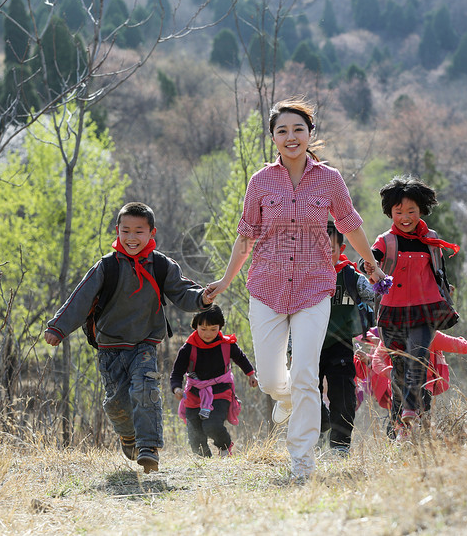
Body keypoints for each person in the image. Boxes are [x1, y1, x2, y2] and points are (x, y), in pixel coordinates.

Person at [206, 97, 383, 479]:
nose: (291, 137)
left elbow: (350, 223)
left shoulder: (330, 180)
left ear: (309, 134)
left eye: (298, 129)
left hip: (314, 287)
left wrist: (368, 261)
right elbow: (245, 236)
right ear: (273, 138)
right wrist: (225, 280)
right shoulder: (260, 182)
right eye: (282, 130)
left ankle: (301, 459)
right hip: (266, 287)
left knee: (305, 373)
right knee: (272, 380)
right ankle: (286, 398)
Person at [44, 202, 214, 473]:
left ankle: (149, 448)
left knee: (145, 390)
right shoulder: (107, 266)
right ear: (117, 231)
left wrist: (202, 298)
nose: (132, 237)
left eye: (139, 231)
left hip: (145, 342)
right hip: (110, 345)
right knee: (117, 402)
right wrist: (58, 328)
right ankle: (129, 436)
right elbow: (81, 298)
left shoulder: (160, 265)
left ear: (151, 233)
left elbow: (182, 292)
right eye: (126, 231)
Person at [365, 175, 460, 441]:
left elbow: (439, 271)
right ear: (390, 212)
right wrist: (369, 267)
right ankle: (400, 426)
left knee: (418, 357)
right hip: (392, 313)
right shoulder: (386, 241)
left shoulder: (431, 239)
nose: (405, 217)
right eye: (399, 212)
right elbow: (373, 258)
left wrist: (446, 292)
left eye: (411, 211)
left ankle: (410, 412)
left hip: (425, 309)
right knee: (400, 367)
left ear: (421, 210)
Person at [170, 304, 259, 457]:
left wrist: (250, 374)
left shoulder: (227, 344)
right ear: (195, 325)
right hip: (194, 393)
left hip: (220, 391)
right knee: (195, 432)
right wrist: (176, 388)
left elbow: (241, 358)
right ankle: (204, 459)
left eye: (213, 329)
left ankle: (225, 446)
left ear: (220, 326)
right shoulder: (188, 349)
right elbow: (177, 372)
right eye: (203, 329)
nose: (208, 334)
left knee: (212, 425)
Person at [319, 221, 377, 456]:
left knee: (343, 393)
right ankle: (319, 427)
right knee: (307, 394)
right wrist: (290, 348)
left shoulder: (350, 276)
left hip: (340, 344)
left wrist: (375, 277)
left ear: (341, 250)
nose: (324, 255)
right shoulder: (301, 278)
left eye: (330, 249)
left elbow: (374, 295)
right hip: (309, 344)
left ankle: (340, 445)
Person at [354, 327, 467, 438]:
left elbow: (377, 361)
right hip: (424, 387)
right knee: (420, 424)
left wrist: (392, 375)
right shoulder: (431, 334)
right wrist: (461, 339)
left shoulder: (391, 334)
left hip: (397, 389)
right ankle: (414, 445)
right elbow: (464, 347)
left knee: (397, 427)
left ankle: (402, 445)